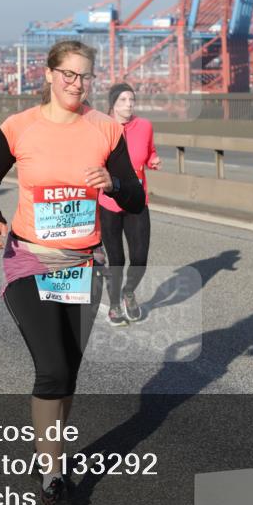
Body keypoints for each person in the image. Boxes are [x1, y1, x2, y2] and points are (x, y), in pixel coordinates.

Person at [0, 40, 144, 505]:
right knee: (51, 367)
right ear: (49, 74)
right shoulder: (19, 127)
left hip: (80, 264)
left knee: (68, 370)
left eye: (84, 75)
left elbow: (134, 198)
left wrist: (113, 185)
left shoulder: (106, 129)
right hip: (30, 259)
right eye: (67, 74)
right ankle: (53, 481)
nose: (76, 83)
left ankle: (45, 453)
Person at [98, 83, 160, 326]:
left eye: (131, 100)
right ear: (113, 104)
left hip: (136, 201)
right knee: (116, 260)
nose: (129, 104)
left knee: (140, 258)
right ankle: (114, 304)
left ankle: (129, 292)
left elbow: (149, 152)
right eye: (123, 100)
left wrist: (153, 160)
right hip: (109, 203)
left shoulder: (144, 126)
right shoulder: (101, 128)